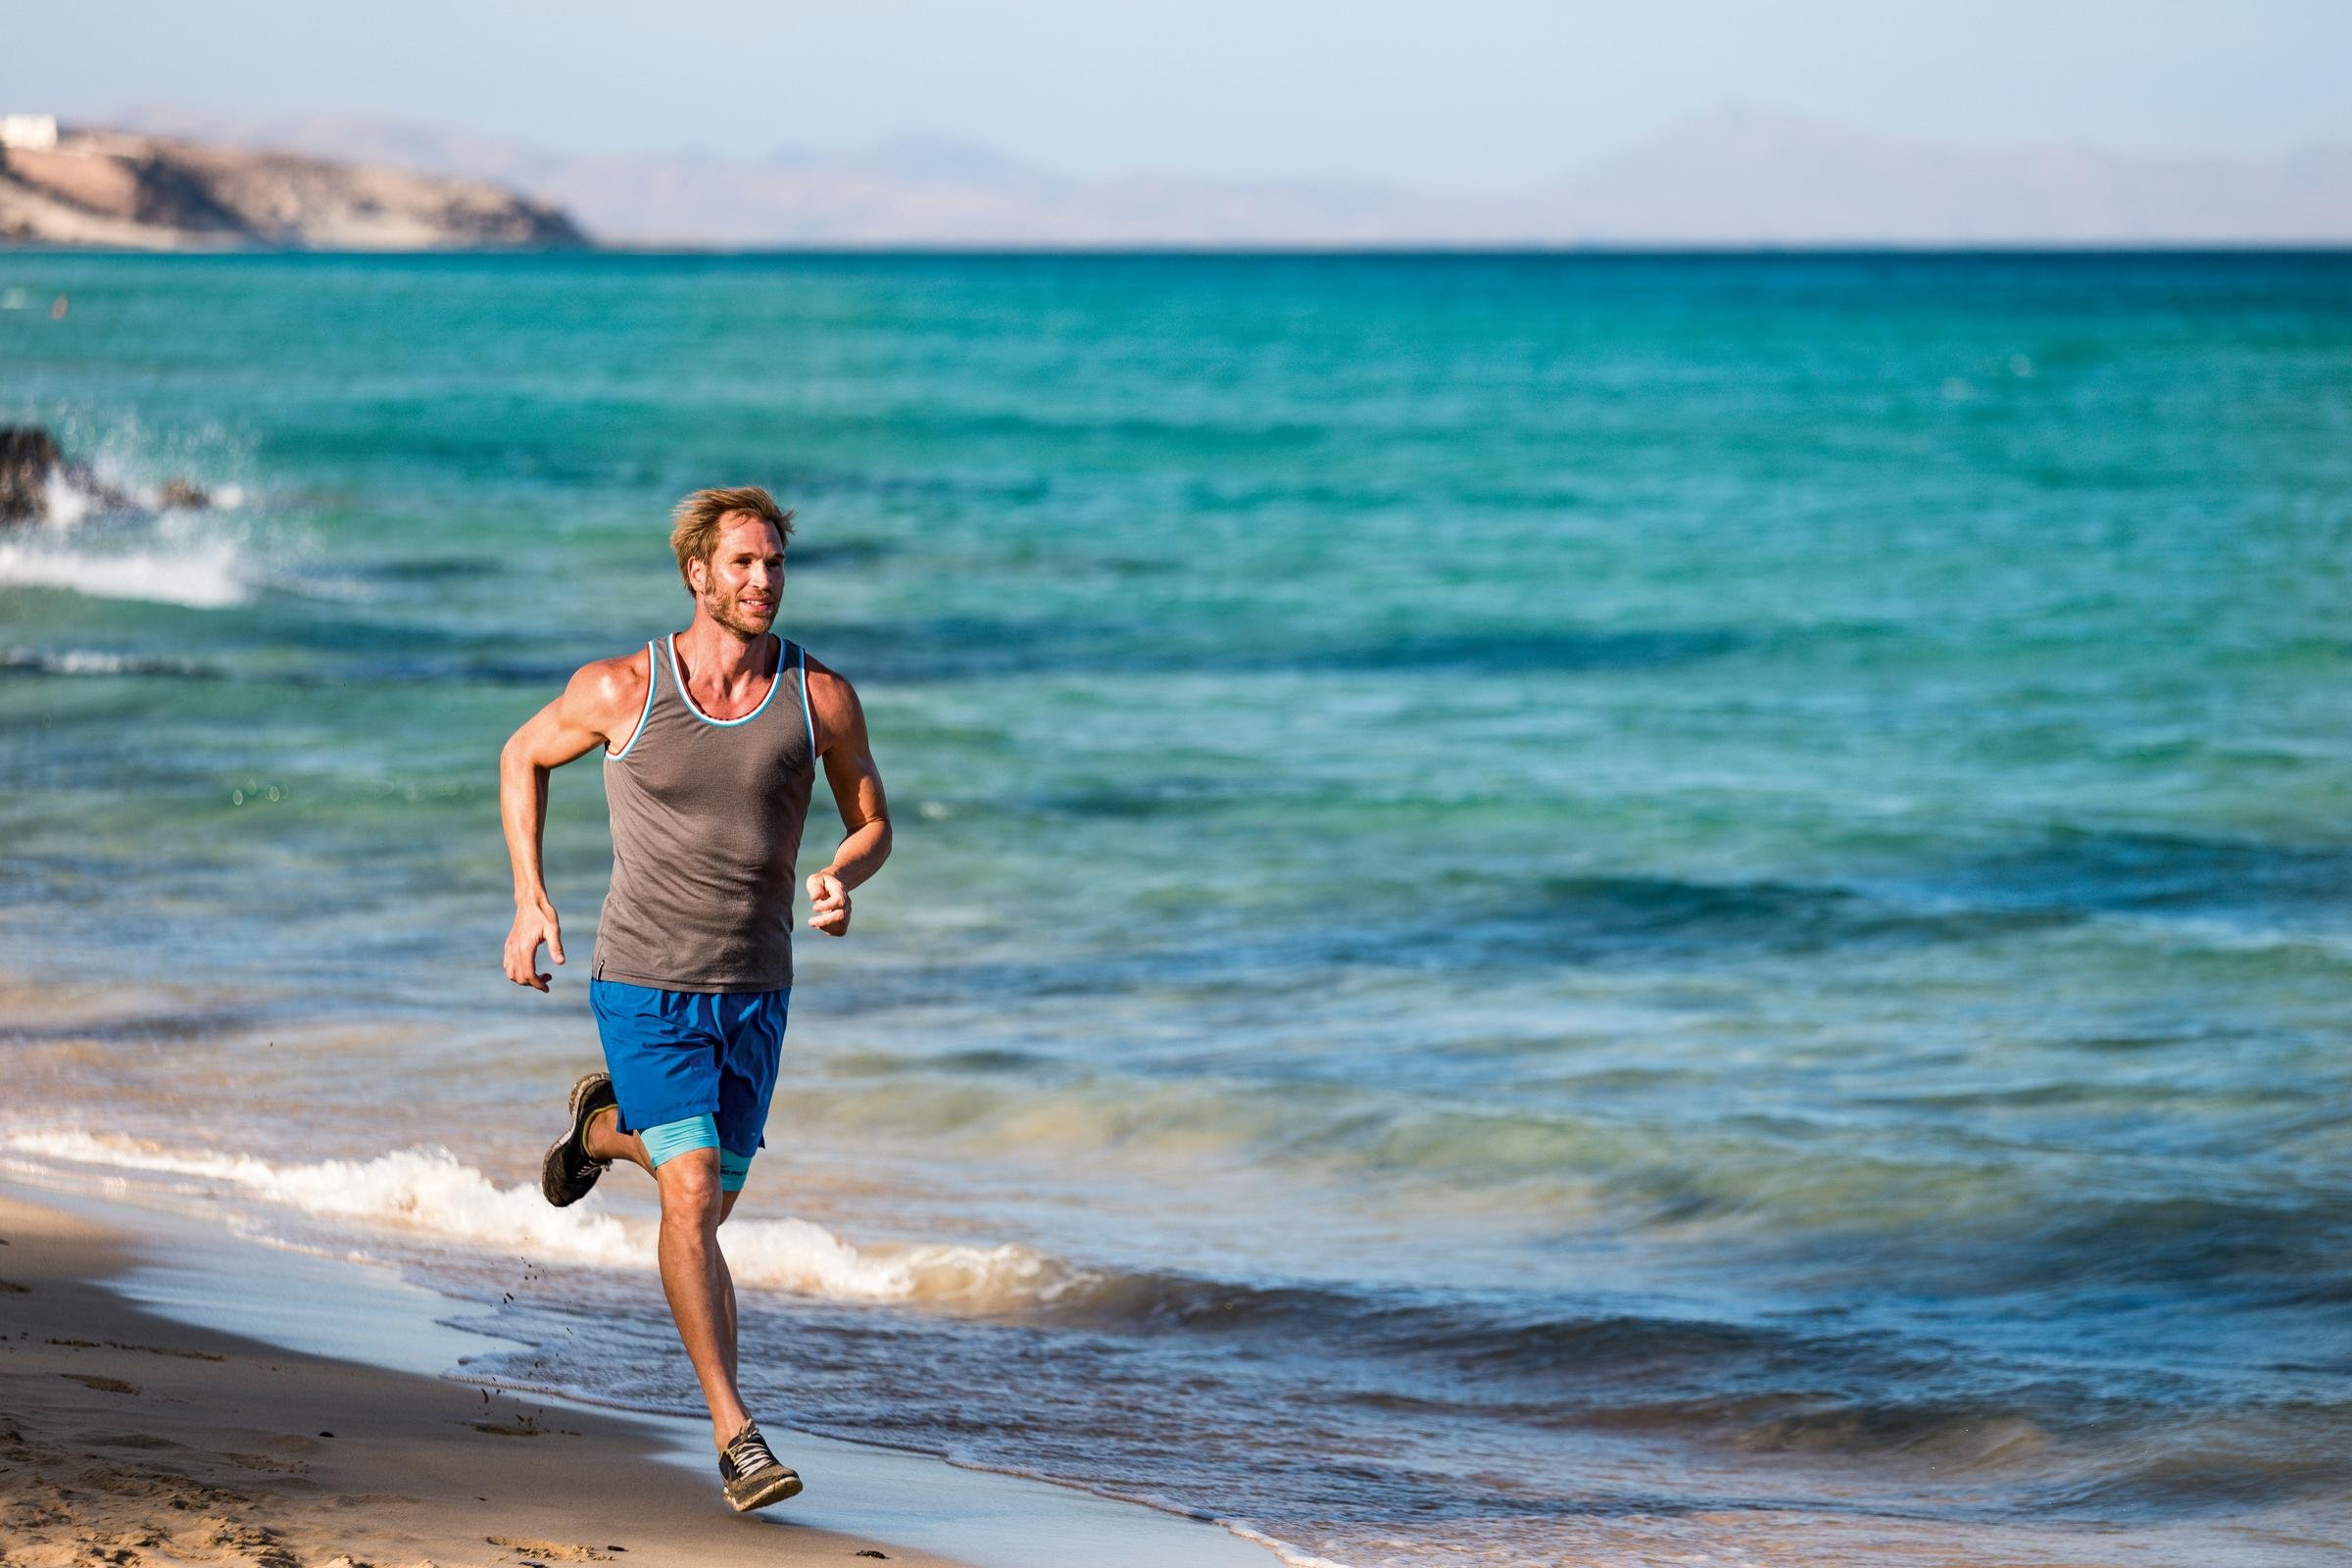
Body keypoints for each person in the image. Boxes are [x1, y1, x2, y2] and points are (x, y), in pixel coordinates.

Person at [496, 485, 891, 1512]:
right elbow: (520, 755)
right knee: (692, 1185)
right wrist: (530, 899)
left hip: (756, 990)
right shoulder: (624, 688)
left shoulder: (820, 696)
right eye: (744, 564)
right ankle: (736, 1434)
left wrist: (845, 875)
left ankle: (599, 1128)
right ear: (697, 574)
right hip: (642, 979)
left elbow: (871, 819)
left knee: (704, 1200)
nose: (763, 581)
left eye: (775, 565)